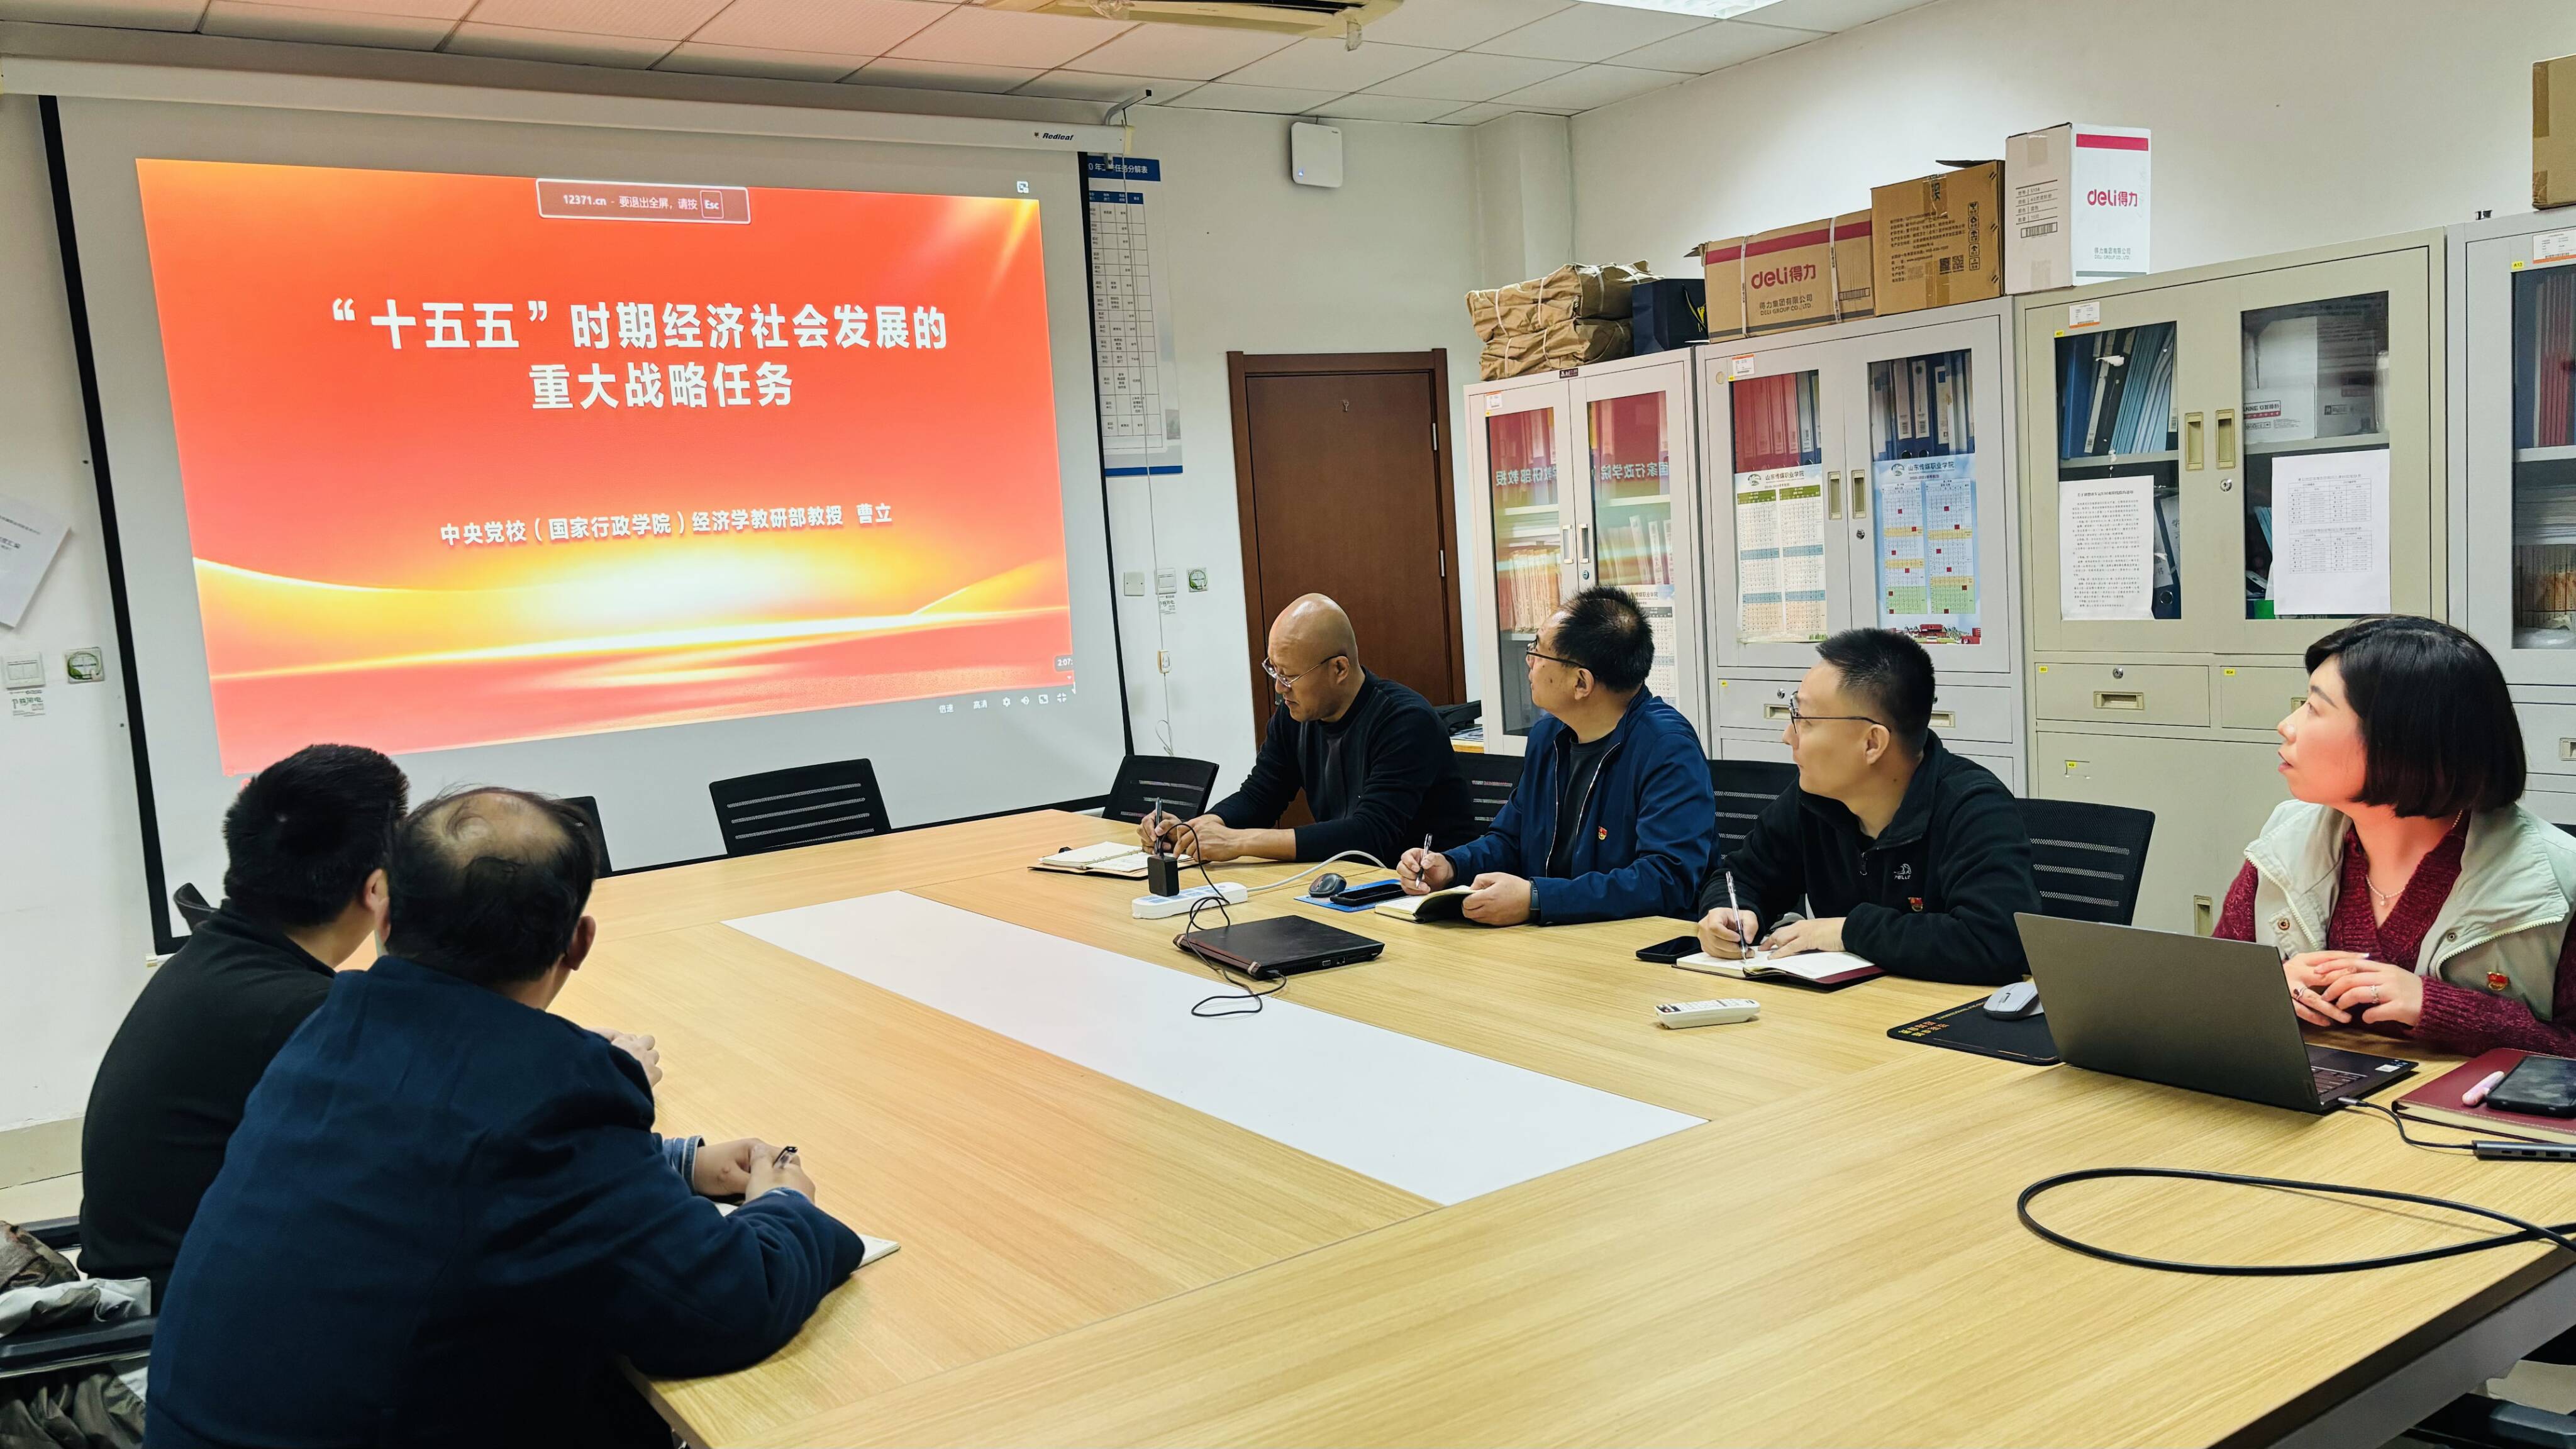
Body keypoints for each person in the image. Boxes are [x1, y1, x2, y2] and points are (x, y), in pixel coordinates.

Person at [147, 787, 864, 1449]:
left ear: (383, 913)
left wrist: (672, 1165)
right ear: (579, 943)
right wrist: (785, 1207)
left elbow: (455, 1165)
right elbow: (728, 1305)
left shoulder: (328, 1029)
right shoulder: (549, 1094)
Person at [77, 744, 409, 1302]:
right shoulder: (304, 1012)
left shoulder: (216, 959)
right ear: (377, 889)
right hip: (201, 1313)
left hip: (163, 1281)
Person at [2219, 616, 2576, 1055]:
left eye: (2314, 708)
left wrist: (2439, 1008)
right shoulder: (2285, 841)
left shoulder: (2558, 881)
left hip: (2465, 1102)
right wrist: (2266, 990)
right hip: (2314, 1094)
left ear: (2400, 740)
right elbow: (2209, 992)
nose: (2287, 725)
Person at [1691, 628, 2038, 984]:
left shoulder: (1974, 807)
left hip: (1943, 1012)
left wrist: (1848, 931)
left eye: (1805, 721)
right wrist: (1728, 913)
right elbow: (1741, 877)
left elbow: (1996, 942)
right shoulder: (1814, 798)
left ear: (1872, 743)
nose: (1788, 736)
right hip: (1850, 1008)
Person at [1396, 587, 1712, 924]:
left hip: (1630, 941)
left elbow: (1665, 879)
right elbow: (1511, 839)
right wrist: (1451, 866)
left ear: (1581, 683)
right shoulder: (1549, 735)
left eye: (1538, 651)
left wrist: (1537, 899)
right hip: (1549, 933)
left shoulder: (1666, 747)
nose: (1529, 661)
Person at [1140, 592, 1475, 865]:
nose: (1279, 688)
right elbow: (1260, 796)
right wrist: (1200, 829)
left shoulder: (1405, 721)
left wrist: (1238, 842)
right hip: (1349, 884)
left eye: (1289, 676)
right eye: (1274, 671)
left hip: (1421, 892)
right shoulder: (1295, 716)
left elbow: (1370, 835)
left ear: (1339, 669)